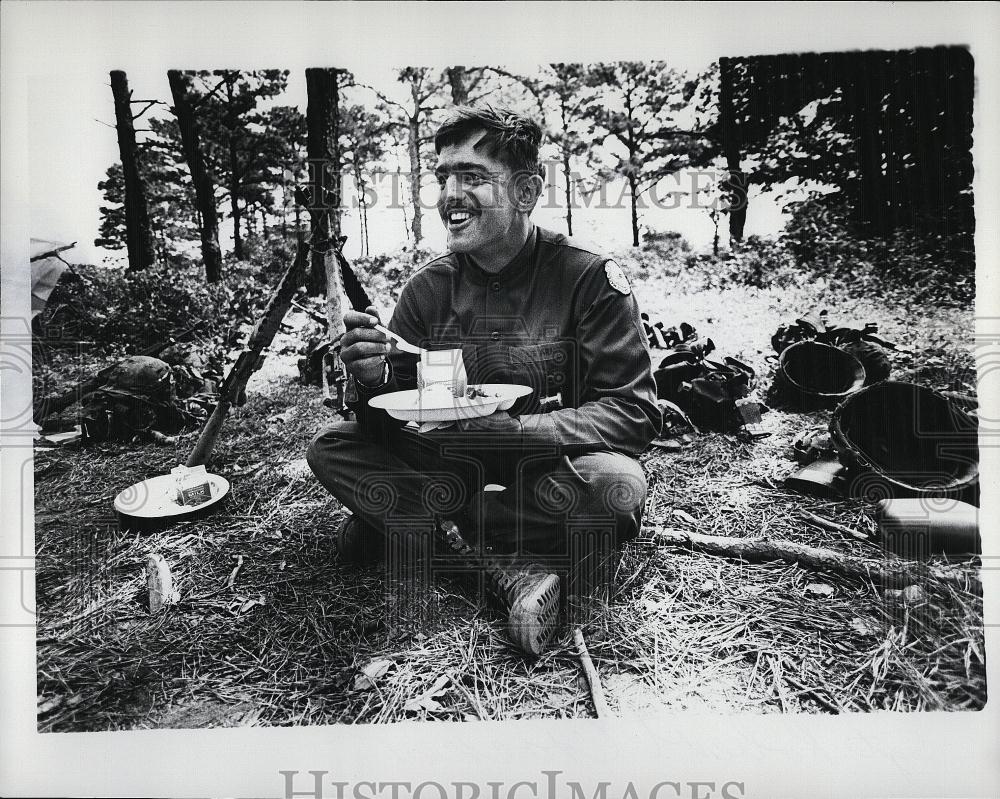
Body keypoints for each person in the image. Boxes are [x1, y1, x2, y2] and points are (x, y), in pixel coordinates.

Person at [307, 105, 659, 657]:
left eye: (471, 176)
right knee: (333, 448)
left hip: (540, 475)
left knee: (616, 487)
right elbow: (391, 415)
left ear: (526, 190)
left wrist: (516, 432)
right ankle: (496, 563)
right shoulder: (428, 289)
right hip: (449, 467)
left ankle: (407, 529)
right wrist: (372, 380)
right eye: (443, 177)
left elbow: (631, 412)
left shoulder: (587, 278)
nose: (449, 193)